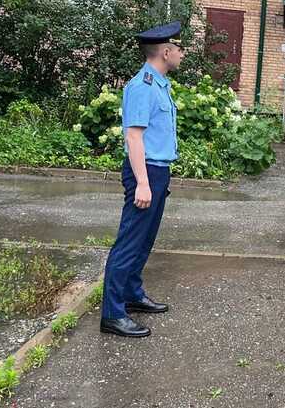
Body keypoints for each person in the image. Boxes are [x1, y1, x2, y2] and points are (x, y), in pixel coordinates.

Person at [100, 21, 183, 338]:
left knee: (144, 240)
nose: (181, 55)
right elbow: (134, 137)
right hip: (144, 172)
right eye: (179, 49)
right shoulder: (142, 87)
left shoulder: (159, 84)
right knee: (130, 242)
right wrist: (144, 182)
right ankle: (112, 314)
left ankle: (132, 294)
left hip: (157, 170)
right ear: (165, 51)